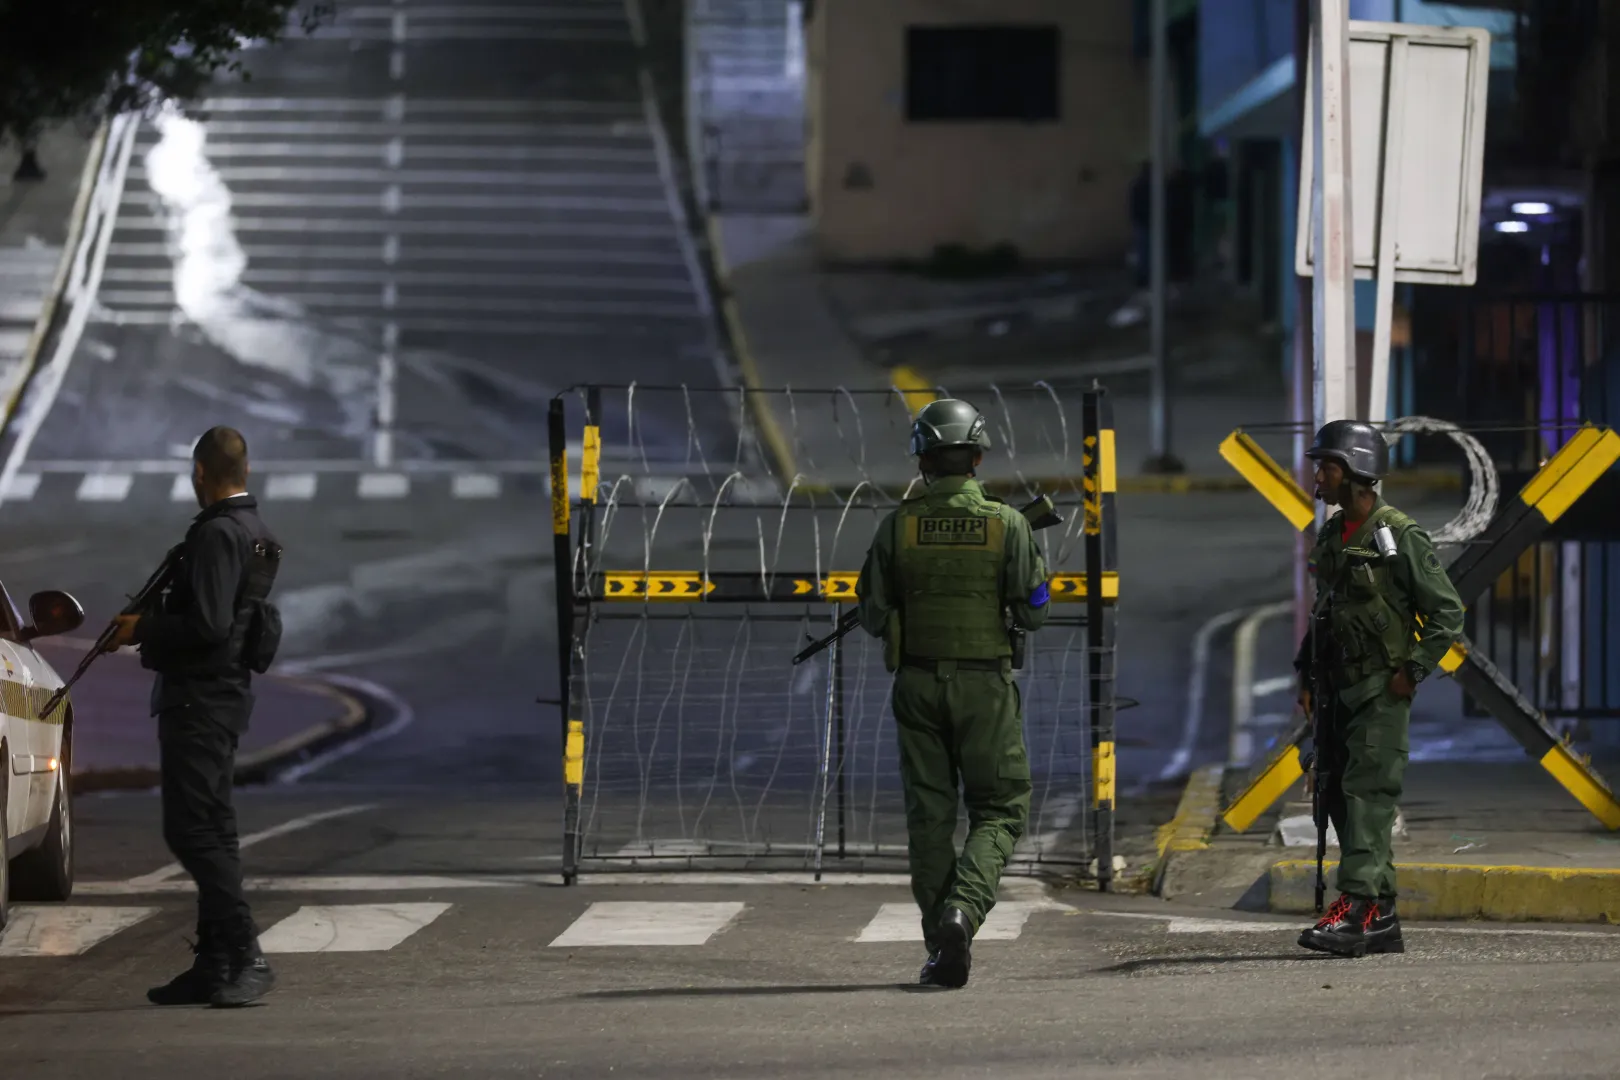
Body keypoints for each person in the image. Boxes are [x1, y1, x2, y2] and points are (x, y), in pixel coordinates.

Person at [854, 399, 1050, 988]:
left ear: (922, 460)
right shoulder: (1008, 524)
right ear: (977, 457)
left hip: (917, 685)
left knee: (930, 820)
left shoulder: (898, 526)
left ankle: (942, 948)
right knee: (1001, 808)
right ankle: (963, 912)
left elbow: (872, 612)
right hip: (984, 687)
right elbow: (1034, 610)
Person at [106, 426, 285, 1007]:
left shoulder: (217, 534)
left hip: (200, 698)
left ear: (200, 473)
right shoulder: (253, 530)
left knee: (191, 830)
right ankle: (214, 962)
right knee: (213, 827)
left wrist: (143, 628)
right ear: (245, 471)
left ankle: (248, 954)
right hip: (223, 695)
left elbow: (208, 625)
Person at [1294, 419, 1464, 958]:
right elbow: (1324, 612)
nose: (1318, 477)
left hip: (1379, 692)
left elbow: (1447, 613)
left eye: (1327, 467)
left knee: (1367, 798)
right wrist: (1305, 673)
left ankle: (1354, 909)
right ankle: (1381, 917)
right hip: (1336, 690)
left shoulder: (1398, 536)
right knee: (1337, 796)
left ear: (1355, 471)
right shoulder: (1332, 535)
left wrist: (1411, 671)